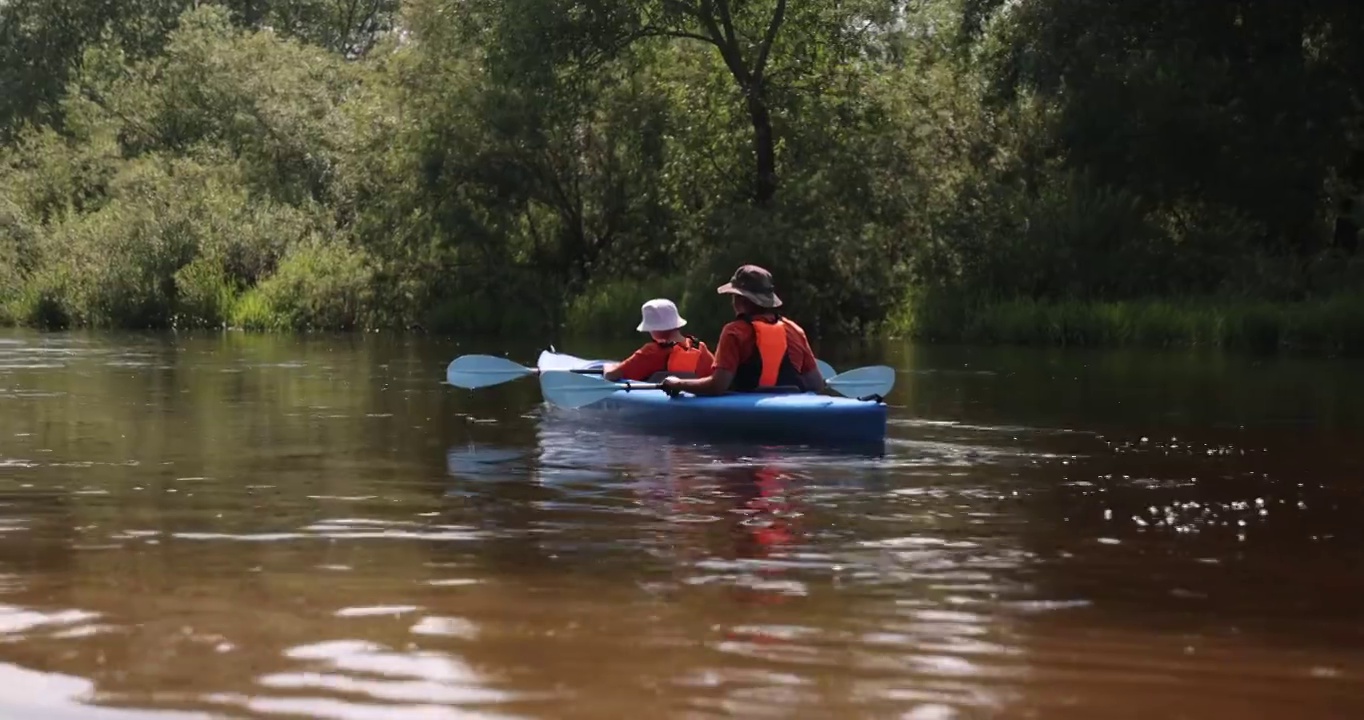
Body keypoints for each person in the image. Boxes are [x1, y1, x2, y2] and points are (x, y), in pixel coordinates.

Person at [660, 265, 823, 397]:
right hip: (792, 409)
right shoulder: (795, 330)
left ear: (741, 300)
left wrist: (678, 384)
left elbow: (717, 386)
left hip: (747, 413)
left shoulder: (734, 332)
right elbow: (816, 384)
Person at [602, 298, 715, 382]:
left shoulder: (651, 352)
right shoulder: (700, 348)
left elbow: (612, 375)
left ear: (653, 329)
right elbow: (718, 378)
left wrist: (607, 367)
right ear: (677, 324)